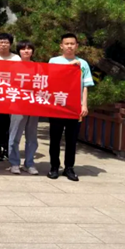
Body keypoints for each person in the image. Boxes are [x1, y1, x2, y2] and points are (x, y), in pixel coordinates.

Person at [47, 33, 94, 181]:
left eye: (72, 44)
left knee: (71, 140)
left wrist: (84, 105)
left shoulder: (83, 63)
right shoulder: (53, 61)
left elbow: (85, 86)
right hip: (57, 106)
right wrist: (70, 66)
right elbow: (50, 79)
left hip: (74, 108)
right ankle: (54, 167)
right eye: (66, 43)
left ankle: (69, 168)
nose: (69, 46)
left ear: (77, 46)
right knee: (55, 139)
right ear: (61, 46)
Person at [8, 40, 40, 175]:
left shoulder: (38, 67)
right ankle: (14, 163)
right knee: (15, 135)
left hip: (34, 105)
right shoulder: (13, 67)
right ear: (19, 51)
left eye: (29, 48)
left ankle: (29, 163)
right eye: (23, 49)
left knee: (31, 137)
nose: (26, 51)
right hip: (18, 105)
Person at [0, 33, 21, 161]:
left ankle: (9, 148)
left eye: (6, 42)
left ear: (10, 44)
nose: (3, 45)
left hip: (12, 94)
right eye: (1, 42)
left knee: (11, 123)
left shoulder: (16, 58)